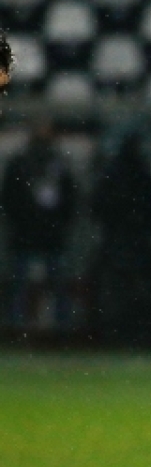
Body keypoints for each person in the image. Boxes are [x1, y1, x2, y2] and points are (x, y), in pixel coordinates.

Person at [1, 121, 78, 331]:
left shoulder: (51, 165)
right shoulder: (31, 164)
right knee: (29, 284)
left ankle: (52, 328)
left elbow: (70, 199)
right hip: (37, 233)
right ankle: (22, 328)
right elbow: (9, 199)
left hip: (37, 233)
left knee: (42, 283)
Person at [92, 133, 151, 344]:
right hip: (133, 242)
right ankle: (135, 334)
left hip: (121, 242)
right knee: (134, 291)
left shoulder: (115, 174)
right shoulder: (141, 174)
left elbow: (97, 205)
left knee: (120, 292)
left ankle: (117, 334)